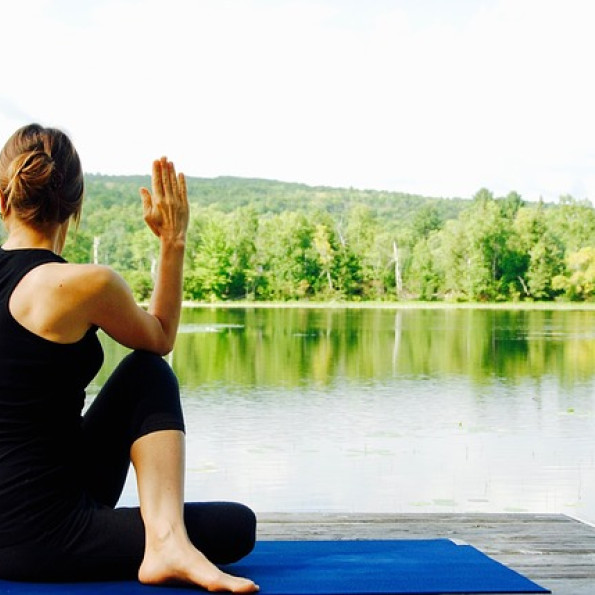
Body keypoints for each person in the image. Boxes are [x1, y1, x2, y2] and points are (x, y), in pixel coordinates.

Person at [0, 123, 259, 592]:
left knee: (141, 374)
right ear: (76, 207)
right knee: (235, 526)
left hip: (42, 507)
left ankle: (166, 539)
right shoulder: (83, 284)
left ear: (3, 201)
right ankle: (167, 542)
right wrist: (172, 241)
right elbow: (159, 338)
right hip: (44, 539)